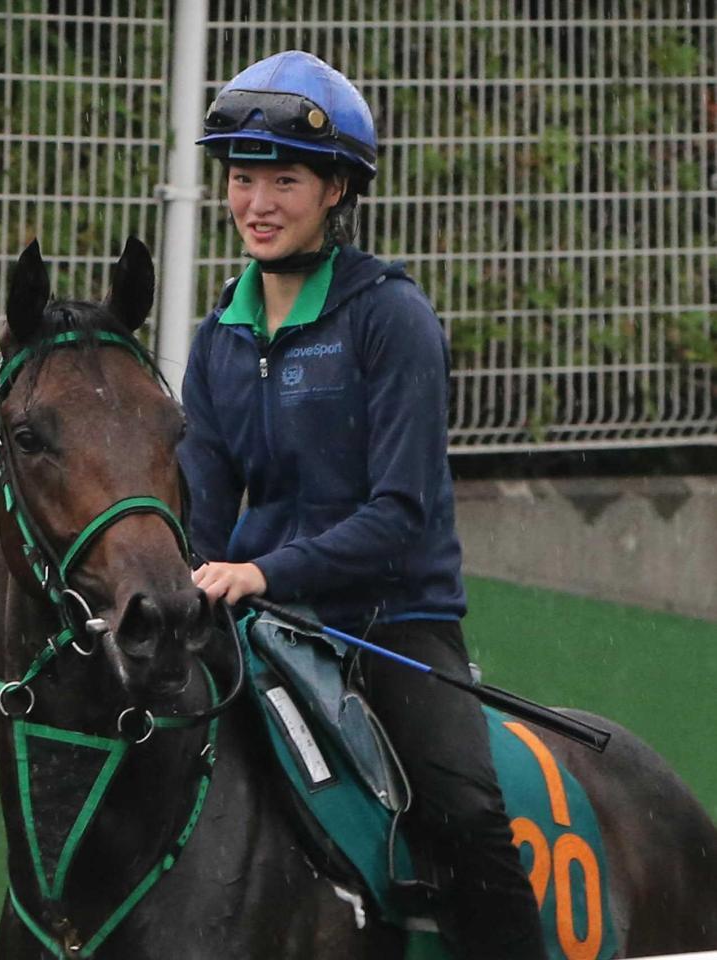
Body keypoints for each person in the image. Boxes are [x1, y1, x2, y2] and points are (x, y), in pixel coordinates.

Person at [178, 50, 546, 960]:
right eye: (241, 178)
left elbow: (400, 517)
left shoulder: (391, 317)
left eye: (284, 180)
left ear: (336, 189)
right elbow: (203, 519)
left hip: (394, 623)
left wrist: (262, 570)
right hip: (261, 625)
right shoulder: (215, 340)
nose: (256, 204)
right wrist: (198, 581)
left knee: (464, 814)